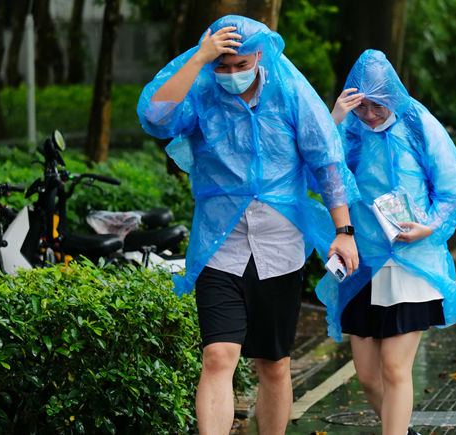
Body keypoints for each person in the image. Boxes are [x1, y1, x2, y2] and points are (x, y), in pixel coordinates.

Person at [137, 16, 361, 435]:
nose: (232, 74)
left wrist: (343, 232)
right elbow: (155, 117)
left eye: (241, 65)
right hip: (220, 245)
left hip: (280, 248)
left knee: (273, 364)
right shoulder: (202, 90)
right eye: (223, 66)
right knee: (218, 355)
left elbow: (326, 159)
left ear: (260, 55)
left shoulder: (290, 91)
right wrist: (198, 58)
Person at [319, 50, 456, 435]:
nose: (371, 114)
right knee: (367, 376)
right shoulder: (347, 129)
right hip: (363, 262)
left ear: (393, 96)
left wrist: (429, 226)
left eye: (379, 105)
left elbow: (454, 191)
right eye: (364, 106)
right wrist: (334, 121)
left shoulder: (420, 125)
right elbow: (320, 177)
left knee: (394, 367)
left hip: (412, 261)